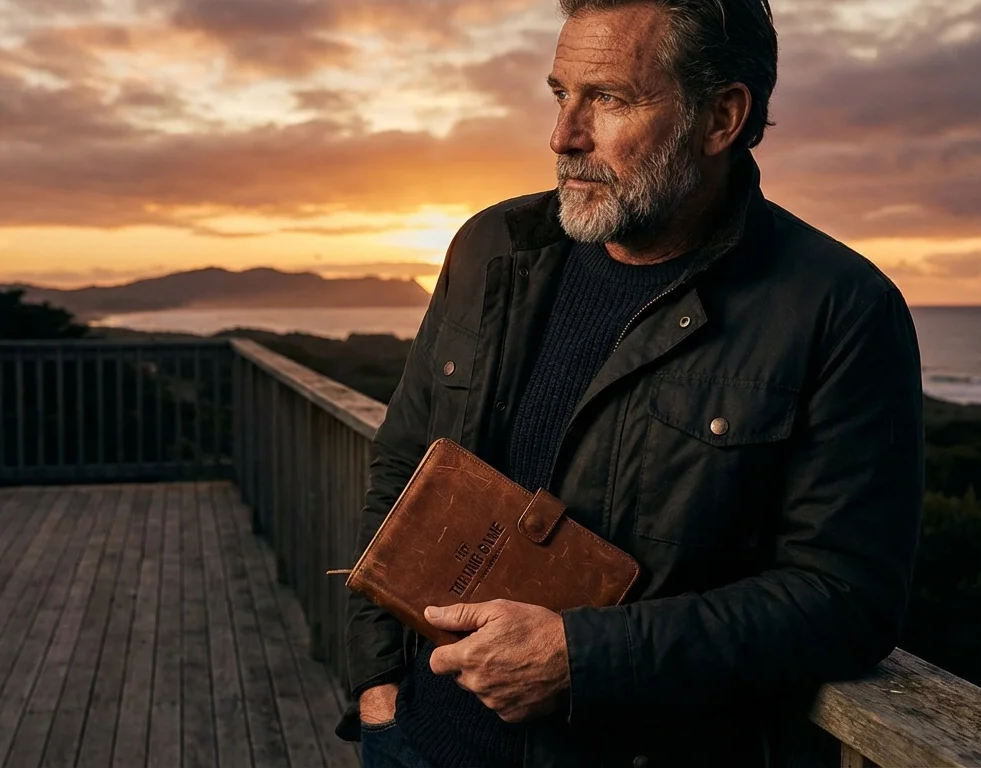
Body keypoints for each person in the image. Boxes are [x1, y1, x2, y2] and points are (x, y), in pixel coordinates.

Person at [334, 0, 925, 765]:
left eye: (608, 99)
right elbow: (403, 462)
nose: (563, 136)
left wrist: (582, 658)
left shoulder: (840, 309)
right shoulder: (491, 248)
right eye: (559, 94)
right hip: (421, 740)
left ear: (721, 118)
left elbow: (846, 599)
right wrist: (378, 684)